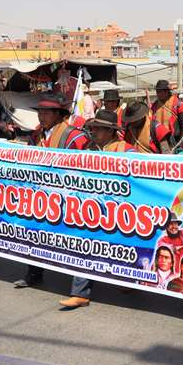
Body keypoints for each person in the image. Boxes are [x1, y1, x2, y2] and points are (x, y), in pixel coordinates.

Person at [59, 109, 135, 309]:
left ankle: (128, 280)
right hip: (90, 208)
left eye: (99, 129)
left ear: (110, 131)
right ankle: (80, 293)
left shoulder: (127, 150)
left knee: (120, 248)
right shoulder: (87, 149)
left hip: (117, 208)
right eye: (93, 128)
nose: (94, 132)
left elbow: (138, 178)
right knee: (85, 246)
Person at [15, 94, 89, 289]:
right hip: (41, 195)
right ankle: (33, 273)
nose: (42, 116)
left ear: (58, 114)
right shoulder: (36, 134)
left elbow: (86, 166)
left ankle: (79, 286)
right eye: (40, 112)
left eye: (47, 112)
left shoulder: (75, 136)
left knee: (74, 240)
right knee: (34, 233)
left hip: (68, 196)